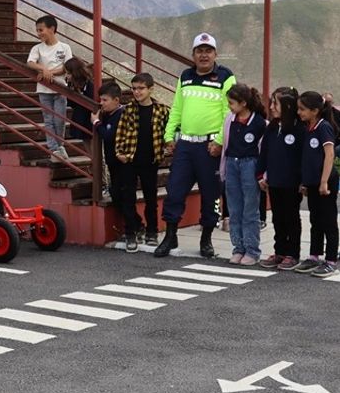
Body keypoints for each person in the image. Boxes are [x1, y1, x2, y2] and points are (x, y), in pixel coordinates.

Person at [155, 32, 235, 259]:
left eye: (208, 51)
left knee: (211, 194)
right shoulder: (186, 76)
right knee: (174, 191)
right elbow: (177, 108)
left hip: (210, 147)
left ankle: (206, 238)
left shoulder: (225, 76)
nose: (204, 55)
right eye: (199, 51)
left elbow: (228, 112)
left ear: (215, 54)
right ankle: (170, 237)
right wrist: (168, 136)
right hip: (186, 145)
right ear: (193, 54)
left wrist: (219, 141)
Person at [111, 73, 170, 250]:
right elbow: (120, 132)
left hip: (150, 161)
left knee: (150, 198)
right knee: (128, 197)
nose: (137, 92)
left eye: (141, 88)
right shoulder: (128, 110)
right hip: (129, 160)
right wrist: (119, 152)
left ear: (151, 89)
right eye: (134, 88)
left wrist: (168, 146)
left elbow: (169, 130)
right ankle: (131, 233)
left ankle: (152, 231)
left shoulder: (161, 110)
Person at [293, 91, 340, 277]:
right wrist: (305, 182)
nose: (299, 112)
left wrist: (323, 182)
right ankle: (314, 256)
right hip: (311, 182)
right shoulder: (308, 128)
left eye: (302, 109)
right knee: (315, 220)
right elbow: (308, 158)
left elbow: (329, 155)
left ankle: (331, 261)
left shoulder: (324, 127)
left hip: (326, 181)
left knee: (328, 220)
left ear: (315, 111)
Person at [258, 87, 304, 270]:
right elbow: (264, 154)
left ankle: (292, 253)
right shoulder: (272, 127)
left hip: (292, 183)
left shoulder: (298, 128)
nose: (271, 106)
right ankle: (280, 251)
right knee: (277, 217)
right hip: (274, 181)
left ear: (287, 105)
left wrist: (303, 180)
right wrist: (260, 175)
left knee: (291, 218)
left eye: (275, 103)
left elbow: (303, 157)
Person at [221, 84, 266, 266]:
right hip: (232, 163)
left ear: (244, 103)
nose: (230, 107)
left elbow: (264, 150)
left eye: (232, 103)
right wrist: (223, 168)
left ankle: (252, 250)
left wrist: (262, 174)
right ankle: (238, 248)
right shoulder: (229, 119)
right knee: (234, 209)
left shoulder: (259, 123)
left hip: (250, 164)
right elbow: (225, 145)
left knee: (250, 210)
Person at [26, 15, 74, 161]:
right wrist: (42, 68)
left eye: (41, 30)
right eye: (37, 31)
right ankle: (54, 150)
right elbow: (30, 63)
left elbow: (67, 67)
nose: (39, 33)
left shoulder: (64, 47)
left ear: (52, 29)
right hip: (43, 89)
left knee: (59, 119)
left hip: (60, 89)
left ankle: (59, 147)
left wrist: (47, 72)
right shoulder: (37, 48)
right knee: (48, 120)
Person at [93, 81, 130, 249]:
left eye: (105, 100)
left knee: (123, 195)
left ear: (116, 100)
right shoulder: (107, 114)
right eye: (101, 100)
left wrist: (96, 123)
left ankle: (133, 228)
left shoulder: (120, 115)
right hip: (112, 162)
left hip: (123, 162)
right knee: (117, 195)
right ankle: (131, 226)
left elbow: (109, 136)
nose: (102, 103)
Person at [64, 58, 95, 149]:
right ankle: (93, 160)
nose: (67, 76)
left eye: (69, 73)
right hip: (80, 116)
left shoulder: (89, 84)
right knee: (85, 139)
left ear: (76, 73)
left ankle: (99, 161)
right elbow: (71, 104)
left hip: (90, 116)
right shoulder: (71, 85)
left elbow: (92, 100)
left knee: (92, 140)